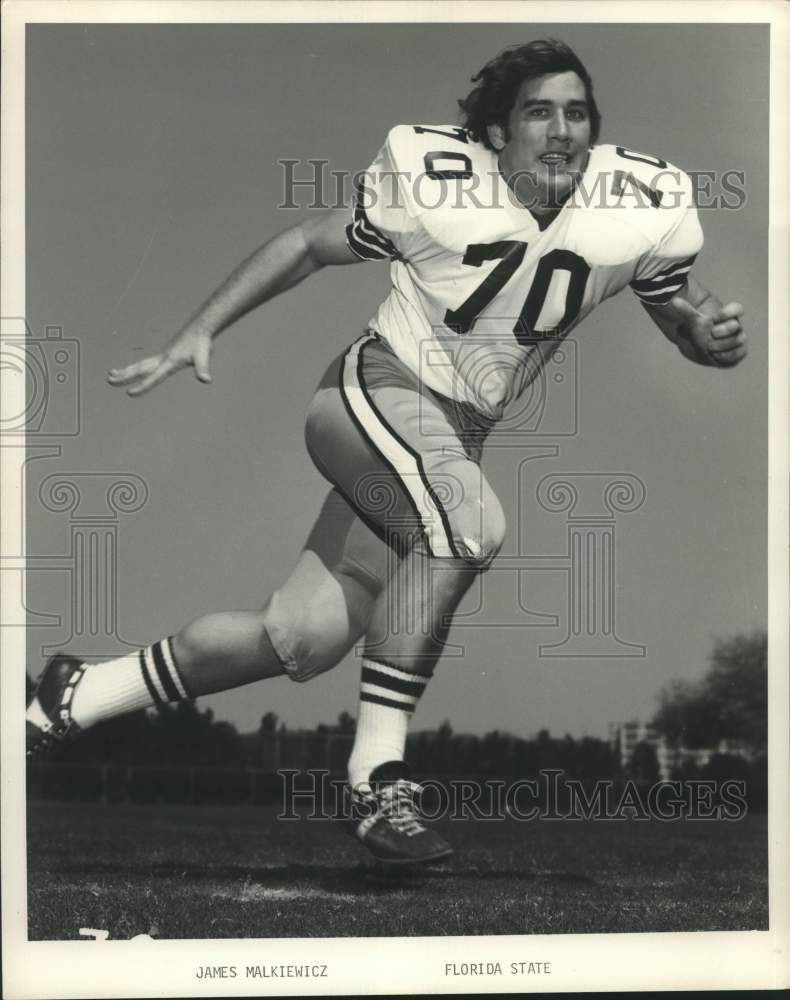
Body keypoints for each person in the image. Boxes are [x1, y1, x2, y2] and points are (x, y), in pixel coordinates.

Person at [26, 38, 747, 865]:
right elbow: (305, 244)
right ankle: (375, 780)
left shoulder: (640, 204)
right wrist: (199, 328)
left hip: (444, 444)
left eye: (577, 113)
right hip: (370, 396)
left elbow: (677, 306)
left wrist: (707, 337)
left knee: (298, 639)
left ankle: (76, 696)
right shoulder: (439, 183)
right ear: (497, 132)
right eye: (538, 113)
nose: (561, 132)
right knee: (467, 525)